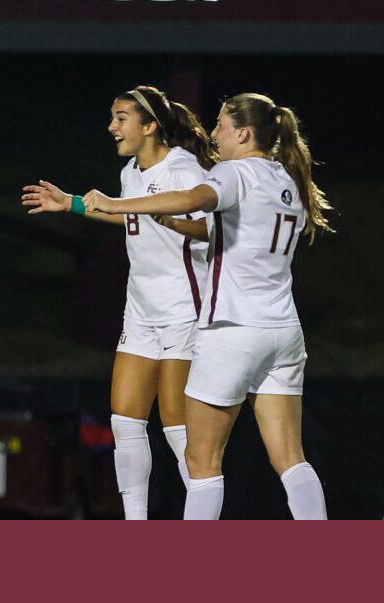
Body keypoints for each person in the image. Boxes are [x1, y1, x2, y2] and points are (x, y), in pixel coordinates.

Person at [76, 93, 332, 520]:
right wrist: (173, 223)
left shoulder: (234, 172)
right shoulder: (288, 180)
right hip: (284, 331)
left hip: (232, 331)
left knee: (202, 463)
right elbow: (228, 234)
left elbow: (193, 197)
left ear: (244, 134)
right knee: (291, 458)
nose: (214, 134)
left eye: (221, 126)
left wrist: (117, 204)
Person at [22, 86, 217, 519]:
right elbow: (124, 212)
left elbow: (212, 231)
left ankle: (205, 521)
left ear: (150, 125)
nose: (112, 126)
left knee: (175, 425)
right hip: (141, 310)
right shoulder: (132, 171)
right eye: (112, 117)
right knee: (125, 420)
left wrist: (166, 216)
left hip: (184, 310)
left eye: (122, 117)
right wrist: (70, 204)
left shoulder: (184, 168)